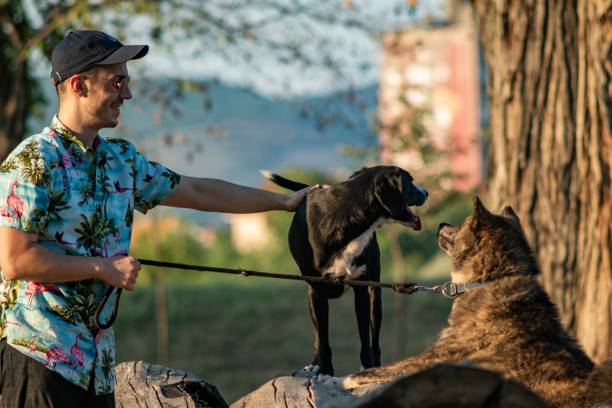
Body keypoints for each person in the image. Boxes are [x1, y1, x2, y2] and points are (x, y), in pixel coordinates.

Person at [0, 30, 315, 408]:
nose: (127, 94)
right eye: (117, 82)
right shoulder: (32, 161)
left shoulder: (121, 159)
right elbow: (16, 261)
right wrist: (103, 268)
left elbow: (198, 191)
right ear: (79, 85)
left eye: (127, 82)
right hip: (39, 359)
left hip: (96, 368)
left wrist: (284, 202)